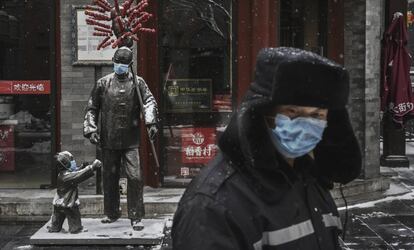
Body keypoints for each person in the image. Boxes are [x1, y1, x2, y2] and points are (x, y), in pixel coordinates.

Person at [172, 47, 362, 249]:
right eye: (292, 112)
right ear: (262, 114)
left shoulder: (309, 179)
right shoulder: (212, 206)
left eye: (317, 115)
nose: (306, 124)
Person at [83, 46, 158, 231]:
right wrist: (91, 129)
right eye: (117, 63)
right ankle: (111, 212)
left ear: (130, 65)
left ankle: (136, 215)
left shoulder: (138, 83)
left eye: (123, 64)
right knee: (109, 177)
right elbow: (92, 107)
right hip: (108, 139)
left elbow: (149, 102)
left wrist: (151, 123)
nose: (119, 67)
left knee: (135, 177)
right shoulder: (102, 83)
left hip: (130, 140)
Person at [48, 151, 102, 234]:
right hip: (68, 201)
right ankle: (76, 229)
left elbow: (75, 172)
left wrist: (82, 166)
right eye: (71, 160)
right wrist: (92, 167)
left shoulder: (62, 174)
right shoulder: (67, 177)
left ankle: (55, 227)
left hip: (58, 201)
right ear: (66, 164)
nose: (73, 162)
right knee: (74, 215)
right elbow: (78, 175)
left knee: (58, 216)